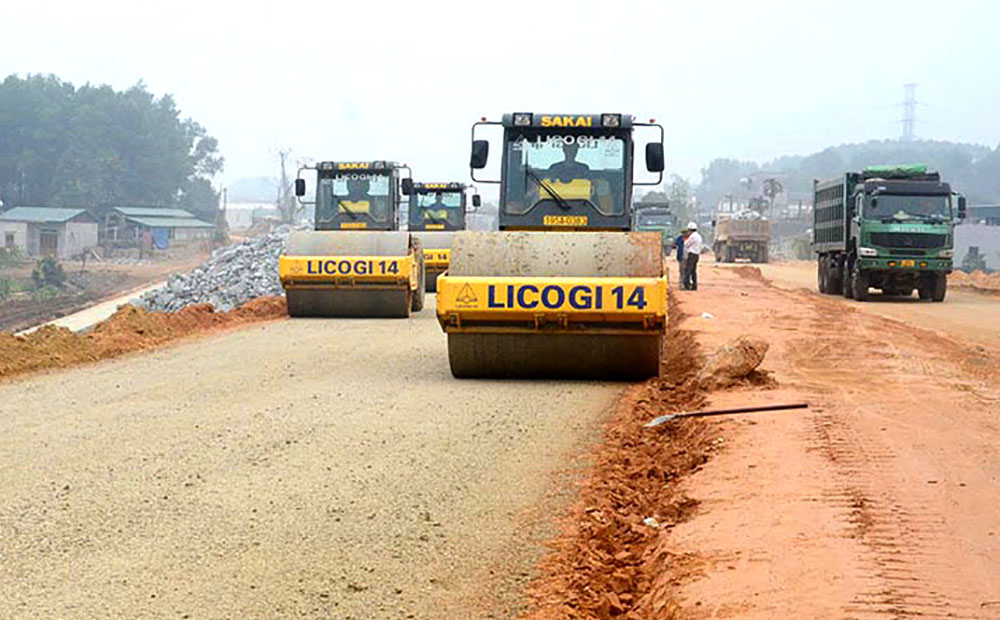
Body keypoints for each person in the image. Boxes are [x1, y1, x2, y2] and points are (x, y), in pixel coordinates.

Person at [682, 222, 704, 291]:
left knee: (688, 270)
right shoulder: (698, 236)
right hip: (696, 255)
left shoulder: (692, 236)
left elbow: (686, 244)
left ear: (690, 230)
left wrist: (685, 239)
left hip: (692, 254)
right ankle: (694, 285)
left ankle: (687, 285)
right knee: (693, 271)